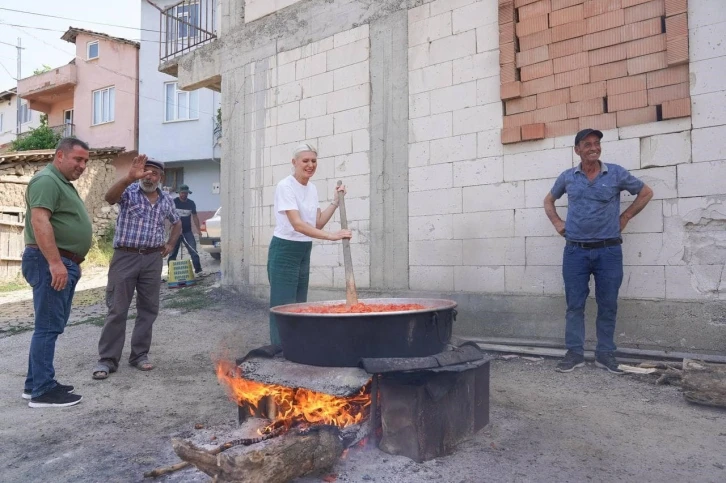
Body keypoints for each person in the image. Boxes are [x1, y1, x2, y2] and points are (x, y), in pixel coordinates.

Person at [544, 129, 653, 375]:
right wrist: (558, 224)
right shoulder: (568, 177)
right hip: (575, 252)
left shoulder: (615, 173)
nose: (594, 148)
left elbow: (645, 192)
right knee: (574, 305)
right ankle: (574, 354)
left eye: (597, 143)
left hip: (608, 251)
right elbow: (548, 201)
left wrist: (625, 216)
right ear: (577, 150)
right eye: (587, 144)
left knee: (608, 304)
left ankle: (605, 354)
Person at [92, 155, 181, 379]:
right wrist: (128, 177)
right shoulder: (129, 192)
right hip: (125, 256)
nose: (148, 176)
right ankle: (107, 360)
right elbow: (109, 197)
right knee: (117, 309)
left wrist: (170, 243)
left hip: (152, 259)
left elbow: (177, 222)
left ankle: (139, 355)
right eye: (145, 171)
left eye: (154, 173)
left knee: (148, 309)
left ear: (161, 177)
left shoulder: (166, 200)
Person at [22, 137, 92, 408]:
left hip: (61, 261)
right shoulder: (47, 181)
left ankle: (34, 384)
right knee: (48, 327)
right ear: (60, 156)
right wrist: (55, 263)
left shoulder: (61, 182)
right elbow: (39, 220)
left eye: (86, 161)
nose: (83, 165)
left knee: (50, 326)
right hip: (49, 262)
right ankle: (42, 391)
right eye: (78, 159)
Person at [267, 143, 352, 345]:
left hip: (304, 248)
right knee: (283, 303)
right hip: (285, 248)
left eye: (313, 161)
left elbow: (317, 223)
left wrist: (335, 202)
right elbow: (297, 224)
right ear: (294, 162)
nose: (310, 165)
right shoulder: (285, 186)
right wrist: (332, 236)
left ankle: (296, 344)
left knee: (299, 303)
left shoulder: (311, 188)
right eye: (305, 161)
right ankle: (280, 348)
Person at [168, 184, 203, 274]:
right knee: (172, 253)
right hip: (175, 232)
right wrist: (173, 228)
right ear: (179, 193)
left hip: (187, 231)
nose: (184, 194)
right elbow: (169, 216)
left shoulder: (191, 203)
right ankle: (171, 273)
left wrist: (198, 230)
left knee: (194, 251)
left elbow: (195, 217)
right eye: (182, 193)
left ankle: (198, 271)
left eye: (186, 193)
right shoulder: (174, 202)